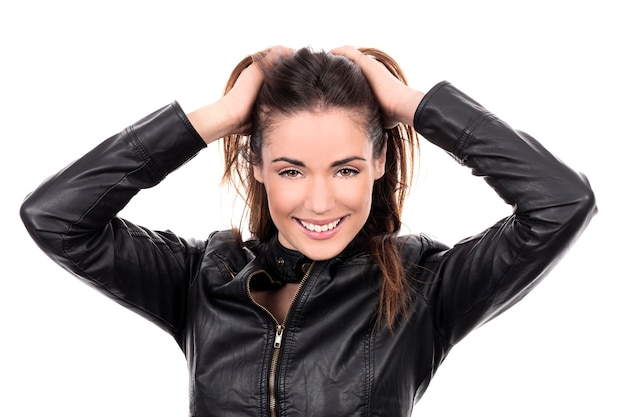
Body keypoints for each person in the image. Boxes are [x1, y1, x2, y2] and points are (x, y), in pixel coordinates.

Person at [20, 45, 597, 417]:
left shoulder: (424, 288)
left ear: (379, 162)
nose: (319, 201)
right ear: (257, 166)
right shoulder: (201, 278)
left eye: (345, 168)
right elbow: (57, 216)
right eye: (290, 169)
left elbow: (562, 202)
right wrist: (218, 117)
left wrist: (413, 105)